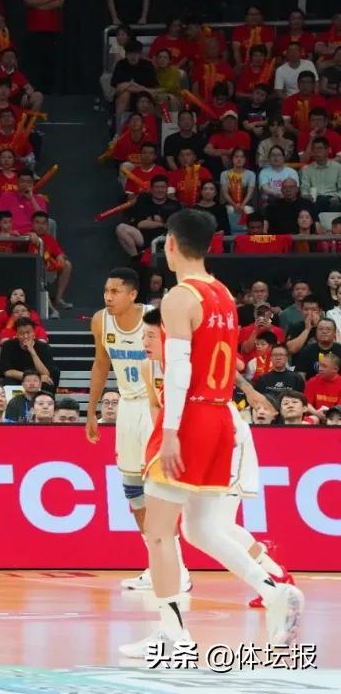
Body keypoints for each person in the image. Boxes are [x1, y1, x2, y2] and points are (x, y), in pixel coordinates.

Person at [120, 209, 303, 658]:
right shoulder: (221, 293)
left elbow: (178, 372)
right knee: (201, 528)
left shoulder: (179, 297)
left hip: (191, 417)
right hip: (222, 414)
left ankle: (173, 635)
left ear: (171, 245)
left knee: (159, 533)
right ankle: (274, 591)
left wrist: (170, 432)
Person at [86, 268, 190, 593]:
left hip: (155, 403)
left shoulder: (154, 320)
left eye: (115, 291)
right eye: (106, 290)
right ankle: (156, 564)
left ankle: (178, 570)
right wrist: (91, 410)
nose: (108, 297)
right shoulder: (100, 321)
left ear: (132, 294)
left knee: (158, 490)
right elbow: (101, 364)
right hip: (127, 406)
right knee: (132, 490)